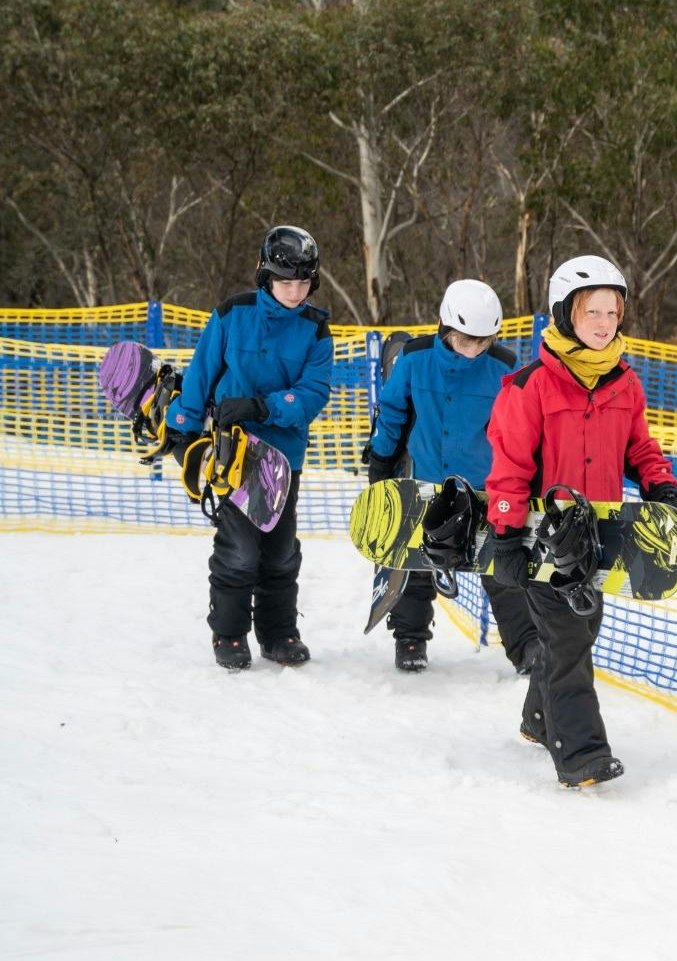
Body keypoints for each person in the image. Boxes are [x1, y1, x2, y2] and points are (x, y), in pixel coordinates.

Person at [484, 254, 677, 788]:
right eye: (591, 310)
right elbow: (508, 464)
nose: (603, 322)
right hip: (539, 536)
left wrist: (660, 484)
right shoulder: (530, 386)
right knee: (568, 639)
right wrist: (505, 534)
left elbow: (639, 447)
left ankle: (537, 716)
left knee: (580, 629)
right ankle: (579, 754)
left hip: (595, 537)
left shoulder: (625, 384)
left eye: (612, 311)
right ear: (564, 313)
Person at [166, 225, 333, 671]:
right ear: (266, 276)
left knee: (280, 551)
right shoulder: (231, 314)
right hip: (233, 453)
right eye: (285, 282)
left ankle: (278, 633)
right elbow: (200, 375)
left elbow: (314, 392)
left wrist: (262, 406)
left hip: (283, 456)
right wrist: (183, 431)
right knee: (240, 550)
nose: (295, 292)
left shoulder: (316, 330)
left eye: (303, 283)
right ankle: (230, 632)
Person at [366, 279, 540, 674]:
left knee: (499, 566)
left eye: (483, 341)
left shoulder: (505, 367)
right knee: (417, 561)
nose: (474, 350)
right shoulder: (414, 358)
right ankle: (410, 637)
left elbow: (519, 427)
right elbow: (392, 413)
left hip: (482, 486)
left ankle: (526, 645)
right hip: (425, 480)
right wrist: (381, 459)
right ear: (445, 328)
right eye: (465, 340)